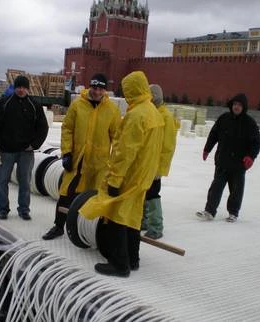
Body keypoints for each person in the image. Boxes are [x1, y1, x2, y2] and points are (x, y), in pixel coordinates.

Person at [79, 71, 164, 277]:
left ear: (132, 90)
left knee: (117, 218)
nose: (125, 96)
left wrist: (115, 180)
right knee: (133, 218)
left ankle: (120, 264)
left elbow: (125, 152)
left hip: (129, 176)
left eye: (126, 91)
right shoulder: (153, 112)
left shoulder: (136, 115)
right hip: (144, 176)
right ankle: (133, 259)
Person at [42, 73, 121, 240]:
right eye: (94, 88)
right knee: (66, 193)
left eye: (100, 89)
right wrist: (67, 153)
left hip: (99, 164)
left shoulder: (112, 110)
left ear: (104, 90)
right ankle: (58, 226)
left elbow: (117, 138)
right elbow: (67, 129)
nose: (97, 92)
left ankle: (90, 231)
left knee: (94, 197)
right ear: (90, 87)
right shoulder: (78, 105)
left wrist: (114, 163)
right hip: (77, 161)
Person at [0, 75, 49, 220]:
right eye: (18, 87)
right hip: (6, 150)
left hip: (25, 152)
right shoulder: (5, 103)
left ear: (28, 88)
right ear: (14, 88)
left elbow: (43, 127)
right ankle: (2, 209)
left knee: (25, 183)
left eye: (23, 87)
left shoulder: (34, 105)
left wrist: (34, 144)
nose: (21, 90)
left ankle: (24, 209)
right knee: (2, 181)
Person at [196, 93, 260, 222]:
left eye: (239, 105)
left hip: (239, 164)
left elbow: (257, 142)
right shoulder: (224, 118)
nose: (236, 107)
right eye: (235, 104)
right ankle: (209, 211)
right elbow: (213, 134)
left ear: (244, 107)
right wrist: (207, 149)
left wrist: (251, 157)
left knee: (236, 190)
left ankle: (233, 213)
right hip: (222, 160)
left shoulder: (249, 123)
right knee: (216, 187)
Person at [141, 84, 178, 239]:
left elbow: (168, 146)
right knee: (143, 192)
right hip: (145, 163)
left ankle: (156, 227)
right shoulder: (151, 112)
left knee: (153, 194)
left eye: (150, 96)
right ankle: (144, 220)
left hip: (155, 166)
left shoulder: (166, 117)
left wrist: (159, 169)